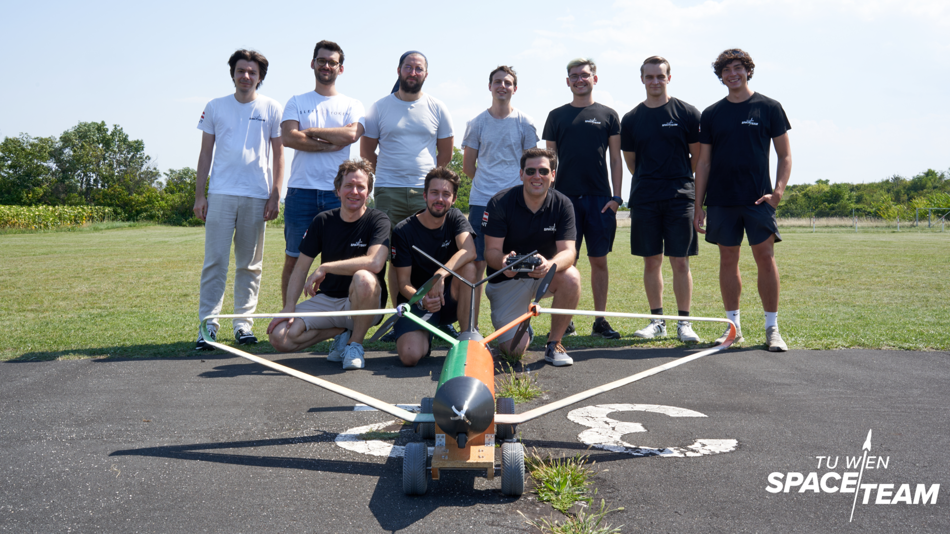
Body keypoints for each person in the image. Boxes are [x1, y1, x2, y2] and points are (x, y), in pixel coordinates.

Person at [693, 48, 792, 352]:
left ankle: (772, 328)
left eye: (738, 68)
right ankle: (733, 328)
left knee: (765, 258)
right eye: (726, 70)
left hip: (758, 200)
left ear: (748, 71)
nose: (732, 74)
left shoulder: (769, 107)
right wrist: (698, 205)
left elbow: (785, 155)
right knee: (728, 260)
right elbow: (704, 163)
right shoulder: (711, 113)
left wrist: (778, 192)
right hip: (721, 200)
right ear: (720, 76)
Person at [194, 49, 284, 350]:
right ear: (233, 73)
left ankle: (243, 325)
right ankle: (207, 327)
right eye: (241, 71)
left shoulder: (272, 107)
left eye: (252, 72)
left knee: (250, 265)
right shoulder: (215, 106)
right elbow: (205, 153)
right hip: (220, 194)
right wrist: (200, 195)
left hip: (257, 196)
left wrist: (275, 194)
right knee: (215, 262)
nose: (246, 76)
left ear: (260, 77)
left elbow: (279, 155)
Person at [267, 159, 389, 370]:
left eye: (361, 187)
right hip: (328, 300)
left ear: (368, 192)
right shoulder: (322, 221)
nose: (354, 191)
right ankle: (341, 331)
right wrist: (289, 306)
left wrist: (326, 267)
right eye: (349, 185)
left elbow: (375, 262)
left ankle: (354, 344)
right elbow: (300, 269)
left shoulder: (379, 220)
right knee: (279, 337)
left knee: (363, 277)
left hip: (363, 305)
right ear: (337, 190)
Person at [361, 51, 454, 314]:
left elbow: (445, 153)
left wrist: (430, 183)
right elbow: (367, 151)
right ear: (399, 70)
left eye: (418, 68)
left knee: (429, 254)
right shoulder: (379, 107)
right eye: (408, 67)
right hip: (388, 192)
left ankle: (436, 314)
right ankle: (400, 314)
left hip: (425, 193)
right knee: (393, 256)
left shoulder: (438, 107)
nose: (413, 72)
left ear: (426, 74)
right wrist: (389, 173)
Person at [620, 56, 702, 343]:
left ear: (669, 77)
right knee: (651, 261)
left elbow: (697, 156)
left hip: (680, 197)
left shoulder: (687, 113)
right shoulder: (631, 118)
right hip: (645, 198)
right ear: (642, 79)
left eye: (660, 76)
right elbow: (631, 163)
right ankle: (657, 322)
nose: (655, 81)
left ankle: (684, 323)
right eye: (650, 76)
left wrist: (675, 179)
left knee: (680, 261)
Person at [542, 58, 623, 340]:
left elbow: (616, 159)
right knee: (566, 262)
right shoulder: (556, 116)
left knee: (599, 261)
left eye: (585, 75)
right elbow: (549, 161)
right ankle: (566, 320)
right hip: (564, 201)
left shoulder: (608, 115)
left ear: (594, 79)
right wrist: (550, 198)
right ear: (568, 81)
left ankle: (600, 320)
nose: (580, 79)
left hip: (600, 200)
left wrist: (617, 197)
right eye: (574, 76)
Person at [280, 40, 365, 307]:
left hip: (337, 194)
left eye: (332, 62)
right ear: (312, 63)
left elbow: (351, 134)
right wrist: (330, 143)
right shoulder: (296, 101)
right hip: (301, 192)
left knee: (340, 261)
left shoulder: (352, 104)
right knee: (294, 259)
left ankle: (340, 321)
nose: (326, 66)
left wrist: (309, 132)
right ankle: (287, 315)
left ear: (341, 68)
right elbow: (288, 138)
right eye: (321, 61)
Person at [483, 148, 581, 366]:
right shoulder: (500, 202)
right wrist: (504, 262)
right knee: (513, 351)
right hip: (507, 279)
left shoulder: (563, 204)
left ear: (553, 175)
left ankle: (554, 344)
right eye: (531, 171)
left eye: (543, 171)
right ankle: (523, 329)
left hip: (543, 275)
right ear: (521, 174)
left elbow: (569, 252)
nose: (537, 176)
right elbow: (490, 252)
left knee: (572, 277)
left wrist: (550, 264)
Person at [461, 65, 539, 332]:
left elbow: (532, 166)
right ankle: (471, 328)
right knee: (477, 263)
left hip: (516, 203)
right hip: (482, 201)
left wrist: (509, 192)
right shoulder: (477, 123)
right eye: (497, 82)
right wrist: (490, 188)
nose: (502, 86)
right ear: (490, 87)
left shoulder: (525, 123)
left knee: (518, 262)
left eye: (507, 82)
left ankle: (518, 323)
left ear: (515, 88)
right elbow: (468, 166)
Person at [391, 167, 476, 366]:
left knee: (469, 268)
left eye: (446, 194)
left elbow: (470, 250)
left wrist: (440, 275)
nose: (440, 199)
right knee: (410, 356)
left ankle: (467, 338)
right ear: (425, 195)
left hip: (449, 300)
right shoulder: (403, 230)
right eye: (434, 193)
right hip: (418, 301)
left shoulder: (455, 218)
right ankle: (427, 332)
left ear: (454, 199)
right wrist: (422, 300)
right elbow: (403, 283)